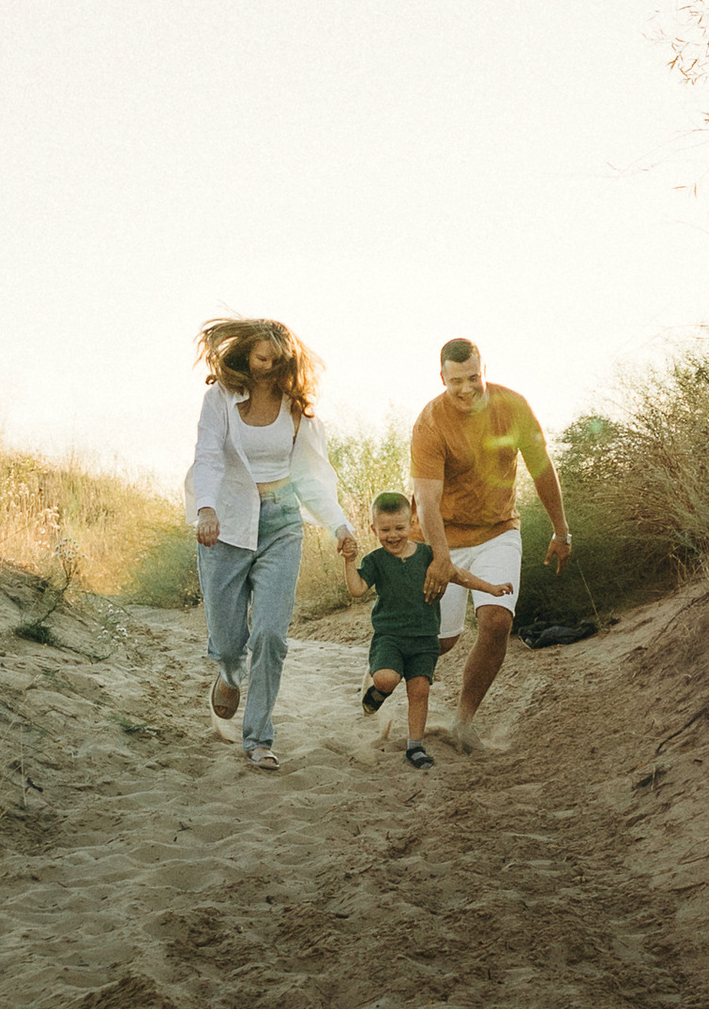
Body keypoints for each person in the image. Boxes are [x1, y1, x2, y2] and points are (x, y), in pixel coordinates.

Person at [188, 317, 358, 774]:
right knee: (227, 642)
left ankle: (258, 738)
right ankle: (228, 673)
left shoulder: (297, 408)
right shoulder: (220, 399)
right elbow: (206, 457)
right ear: (245, 354)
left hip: (282, 522)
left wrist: (339, 526)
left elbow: (312, 477)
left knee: (271, 635)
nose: (268, 368)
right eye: (261, 358)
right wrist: (205, 507)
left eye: (278, 361)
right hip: (224, 523)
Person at [410, 335, 571, 749]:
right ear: (441, 378)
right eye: (455, 381)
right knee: (441, 643)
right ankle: (384, 669)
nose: (465, 389)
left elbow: (541, 469)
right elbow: (426, 499)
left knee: (497, 622)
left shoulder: (513, 406)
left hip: (499, 531)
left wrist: (561, 531)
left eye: (472, 378)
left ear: (484, 371)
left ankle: (463, 721)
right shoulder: (430, 422)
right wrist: (440, 558)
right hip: (442, 536)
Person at [345, 490, 512, 768]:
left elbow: (459, 575)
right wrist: (349, 561)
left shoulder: (427, 555)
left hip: (424, 639)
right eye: (385, 530)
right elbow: (357, 590)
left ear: (412, 524)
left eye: (399, 528)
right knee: (386, 678)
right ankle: (378, 693)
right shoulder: (375, 560)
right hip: (390, 637)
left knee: (419, 690)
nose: (393, 535)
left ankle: (415, 747)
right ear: (374, 529)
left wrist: (491, 588)